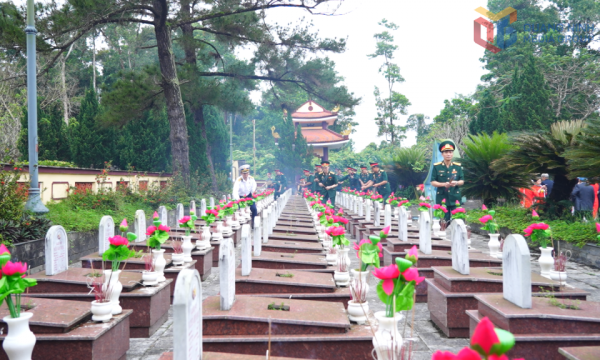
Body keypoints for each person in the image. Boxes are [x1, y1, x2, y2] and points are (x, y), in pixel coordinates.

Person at [430, 140, 464, 222]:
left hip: (455, 198)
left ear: (452, 154)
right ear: (442, 154)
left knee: (458, 220)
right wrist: (444, 184)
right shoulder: (437, 167)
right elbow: (433, 182)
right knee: (444, 221)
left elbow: (462, 181)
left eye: (450, 152)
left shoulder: (457, 167)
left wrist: (456, 183)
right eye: (446, 152)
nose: (448, 154)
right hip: (442, 198)